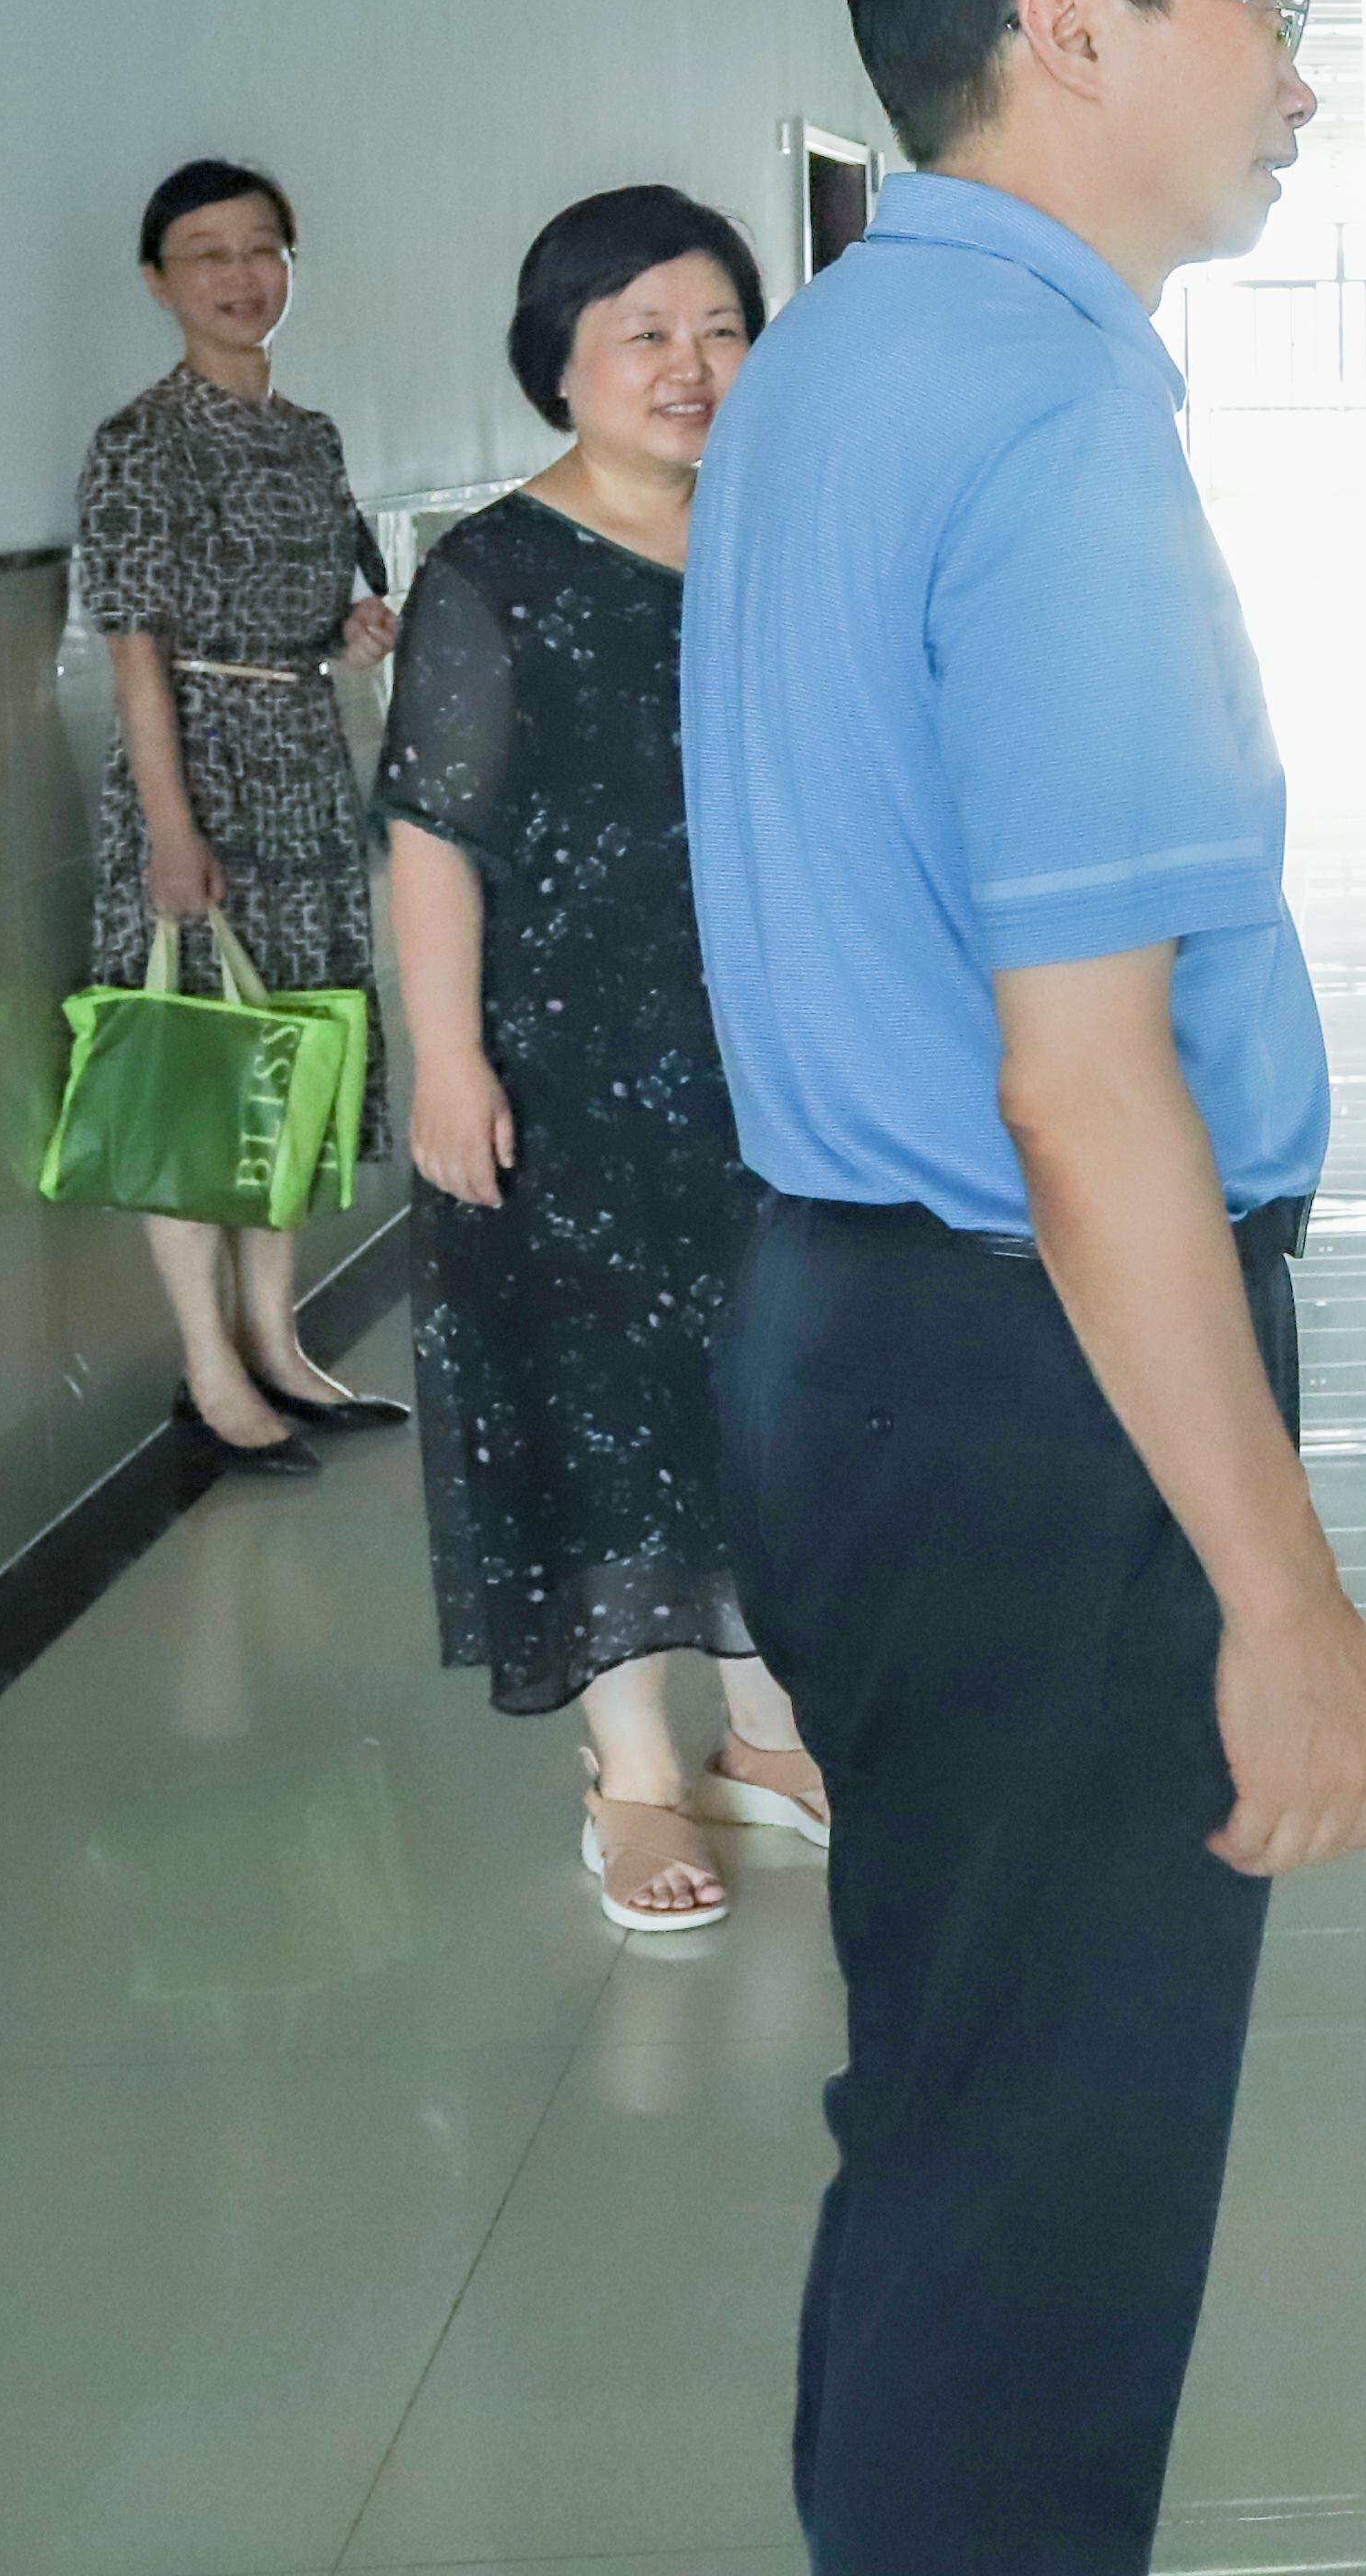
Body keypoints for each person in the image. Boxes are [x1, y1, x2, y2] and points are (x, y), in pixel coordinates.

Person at [683, 0, 1366, 2573]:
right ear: (1068, 24)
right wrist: (1284, 1599)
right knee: (1055, 2189)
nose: (1299, 74)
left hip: (853, 1343)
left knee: (955, 2108)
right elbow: (1085, 1091)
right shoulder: (1052, 424)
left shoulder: (833, 362)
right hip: (1036, 1388)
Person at [380, 186, 820, 1938]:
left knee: (763, 1391)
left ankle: (769, 1738)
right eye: (645, 333)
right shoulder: (493, 573)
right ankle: (632, 1774)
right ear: (558, 363)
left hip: (767, 1053)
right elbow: (435, 836)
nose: (691, 364)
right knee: (600, 1400)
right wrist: (447, 1060)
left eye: (721, 328)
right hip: (565, 1062)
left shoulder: (774, 540)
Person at [75, 157, 401, 1482]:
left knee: (297, 1051)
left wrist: (351, 634)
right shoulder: (140, 441)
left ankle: (276, 1336)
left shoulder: (311, 436)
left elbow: (323, 612)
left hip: (304, 769)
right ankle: (207, 1367)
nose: (240, 275)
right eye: (207, 253)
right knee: (197, 1069)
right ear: (158, 283)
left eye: (263, 248)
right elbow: (134, 649)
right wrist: (169, 828)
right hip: (196, 775)